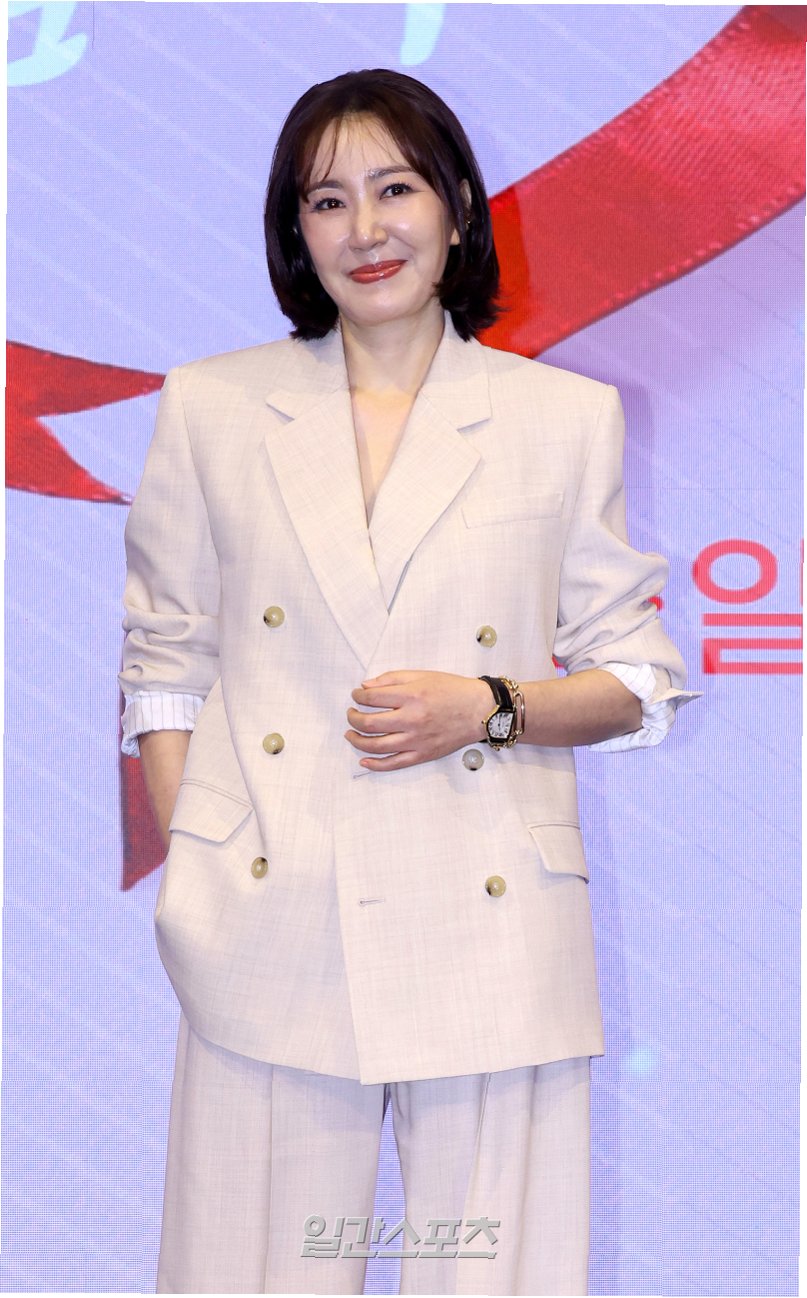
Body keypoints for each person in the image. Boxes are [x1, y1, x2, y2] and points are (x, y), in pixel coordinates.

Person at [120, 68, 697, 1296]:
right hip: (267, 913)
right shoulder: (214, 406)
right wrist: (199, 860)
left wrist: (488, 704)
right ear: (295, 231)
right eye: (327, 201)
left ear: (456, 207)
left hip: (490, 914)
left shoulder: (561, 416)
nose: (366, 230)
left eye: (396, 189)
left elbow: (638, 677)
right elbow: (167, 660)